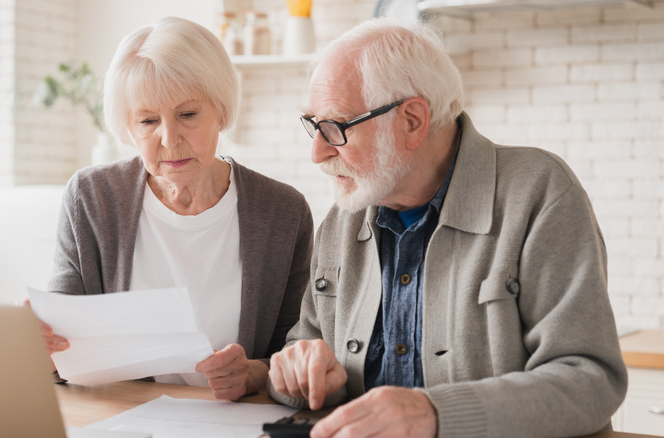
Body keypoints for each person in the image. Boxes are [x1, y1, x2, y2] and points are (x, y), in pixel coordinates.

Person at [267, 18, 627, 438]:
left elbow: (590, 381)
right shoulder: (344, 217)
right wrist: (297, 374)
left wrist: (436, 414)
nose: (317, 152)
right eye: (314, 125)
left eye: (336, 127)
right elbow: (302, 349)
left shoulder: (539, 193)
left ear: (413, 121)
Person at [38, 16, 313, 402]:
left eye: (188, 115)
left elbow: (297, 350)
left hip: (233, 419)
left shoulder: (283, 212)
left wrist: (253, 374)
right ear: (128, 128)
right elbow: (62, 349)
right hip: (121, 419)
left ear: (220, 109)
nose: (170, 139)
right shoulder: (90, 198)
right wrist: (41, 345)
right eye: (148, 121)